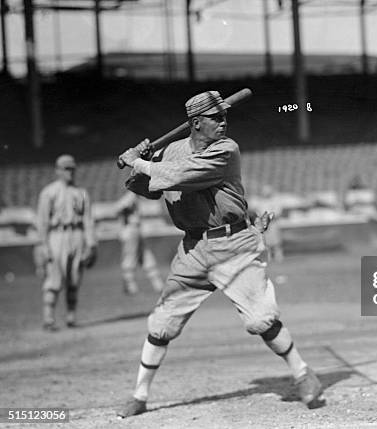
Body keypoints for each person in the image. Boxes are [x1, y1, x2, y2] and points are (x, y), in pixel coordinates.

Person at [116, 90, 324, 418]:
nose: (223, 123)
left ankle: (303, 374)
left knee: (260, 319)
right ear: (196, 123)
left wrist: (141, 162)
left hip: (235, 246)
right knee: (161, 324)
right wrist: (142, 165)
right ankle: (139, 395)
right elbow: (149, 189)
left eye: (225, 117)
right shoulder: (171, 151)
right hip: (193, 249)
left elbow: (184, 176)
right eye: (216, 118)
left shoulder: (226, 151)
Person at [36, 154, 97, 331]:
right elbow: (42, 222)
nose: (69, 172)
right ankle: (48, 319)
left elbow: (88, 220)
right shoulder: (49, 192)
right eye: (65, 169)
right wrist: (43, 245)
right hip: (57, 236)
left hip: (77, 234)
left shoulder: (81, 193)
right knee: (54, 278)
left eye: (72, 168)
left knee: (75, 278)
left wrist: (91, 244)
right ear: (57, 171)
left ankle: (71, 317)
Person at [115, 191, 165, 295]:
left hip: (136, 229)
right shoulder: (130, 195)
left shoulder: (134, 196)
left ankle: (158, 285)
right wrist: (124, 221)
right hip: (130, 228)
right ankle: (130, 286)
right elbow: (118, 209)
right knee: (130, 258)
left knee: (147, 257)